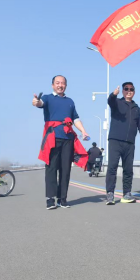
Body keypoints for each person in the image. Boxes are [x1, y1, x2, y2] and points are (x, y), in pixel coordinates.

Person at [32, 75, 90, 210]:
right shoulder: (47, 98)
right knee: (51, 168)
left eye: (62, 83)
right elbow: (39, 103)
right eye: (57, 83)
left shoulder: (70, 101)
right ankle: (50, 199)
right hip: (52, 138)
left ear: (66, 86)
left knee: (65, 169)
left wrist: (83, 131)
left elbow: (76, 119)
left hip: (67, 139)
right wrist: (36, 101)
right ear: (53, 85)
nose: (60, 85)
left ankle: (62, 198)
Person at [105, 82, 140, 205]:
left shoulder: (137, 109)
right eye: (126, 89)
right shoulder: (117, 103)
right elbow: (110, 101)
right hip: (115, 140)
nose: (129, 91)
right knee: (112, 167)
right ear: (123, 91)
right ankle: (110, 194)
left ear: (134, 92)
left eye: (131, 89)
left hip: (130, 143)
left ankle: (126, 193)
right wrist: (113, 94)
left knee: (128, 169)